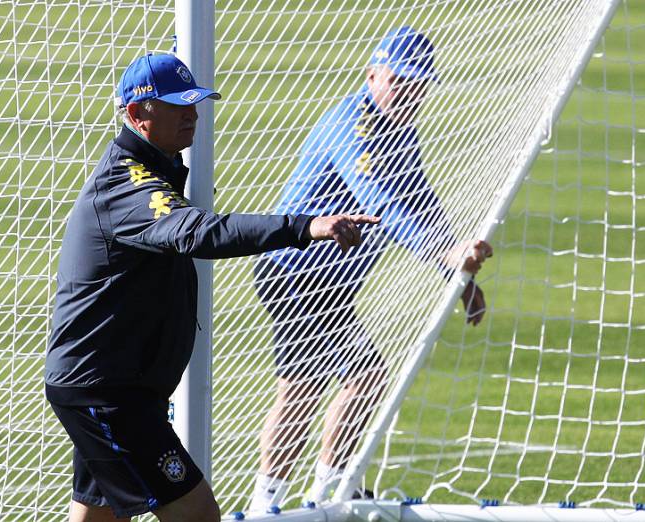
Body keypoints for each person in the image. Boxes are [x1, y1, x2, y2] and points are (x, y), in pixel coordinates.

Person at [44, 52, 379, 522]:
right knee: (199, 514)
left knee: (99, 514)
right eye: (178, 106)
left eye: (195, 103)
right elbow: (199, 233)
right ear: (139, 116)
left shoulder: (155, 171)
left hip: (114, 385)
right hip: (108, 391)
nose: (193, 115)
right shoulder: (128, 182)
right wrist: (305, 228)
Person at [249, 27, 492, 512]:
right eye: (400, 81)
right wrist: (446, 257)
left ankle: (328, 489)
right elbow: (383, 204)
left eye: (420, 84)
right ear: (373, 74)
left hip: (332, 281)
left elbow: (419, 198)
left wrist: (458, 277)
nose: (410, 93)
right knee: (309, 387)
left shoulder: (398, 128)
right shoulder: (354, 125)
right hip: (295, 273)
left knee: (361, 378)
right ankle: (270, 503)